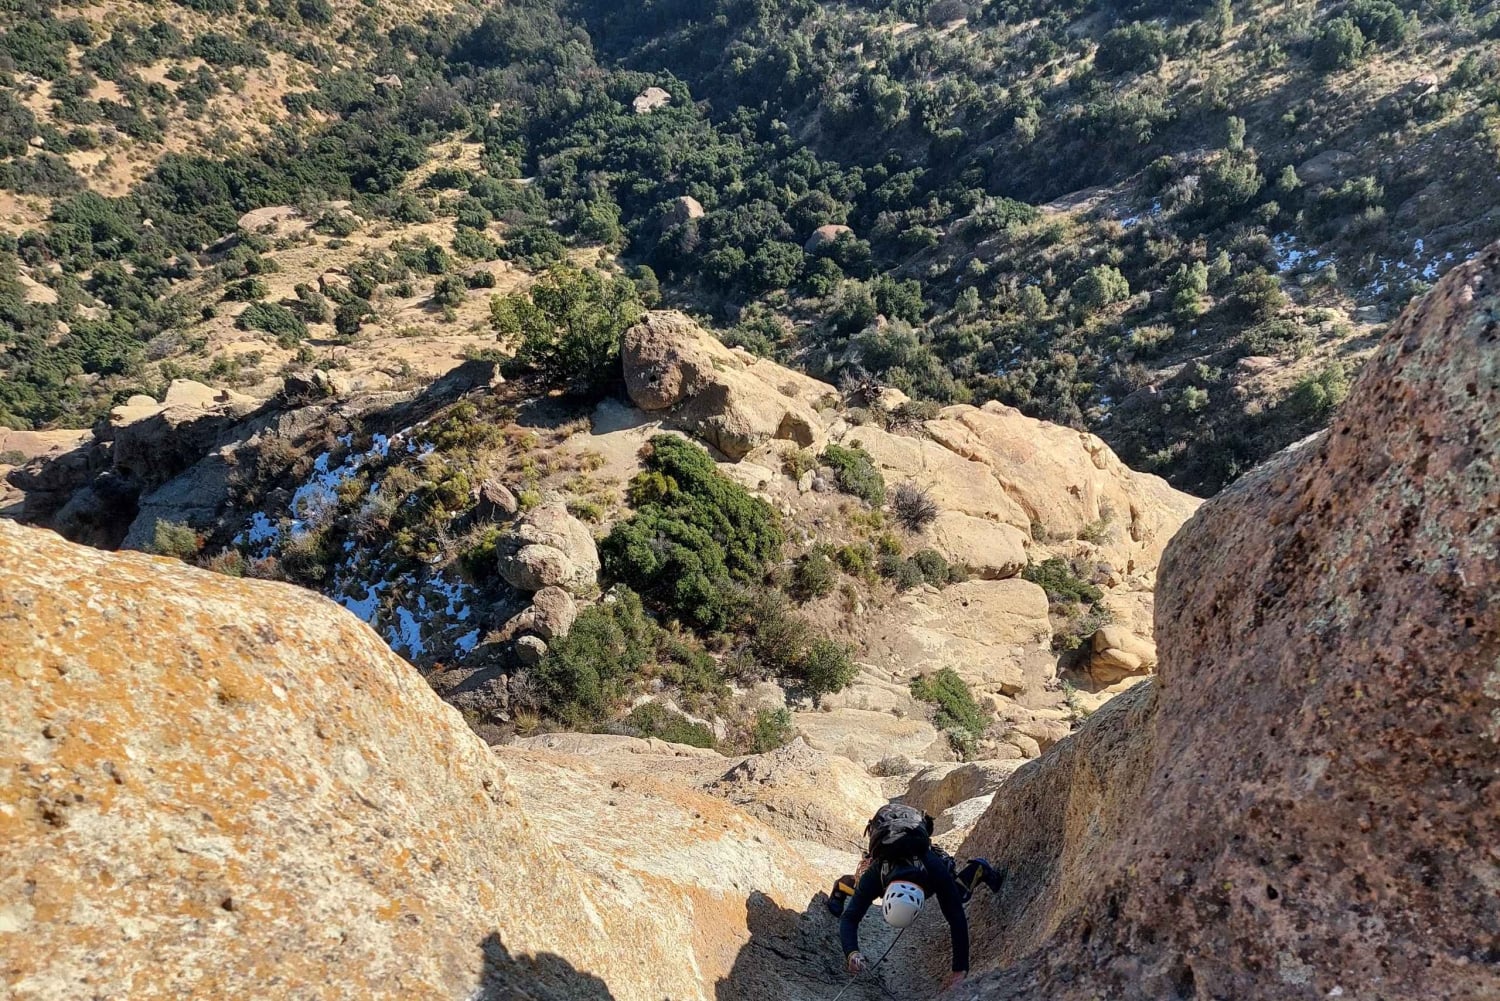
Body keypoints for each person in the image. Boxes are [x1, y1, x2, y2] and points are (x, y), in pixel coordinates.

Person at [827, 803, 1002, 992]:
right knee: (859, 889)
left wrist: (959, 971)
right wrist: (851, 952)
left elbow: (956, 918)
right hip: (890, 848)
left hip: (919, 851)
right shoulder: (876, 875)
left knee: (956, 897)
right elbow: (850, 918)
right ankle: (840, 888)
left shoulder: (934, 869)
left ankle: (978, 868)